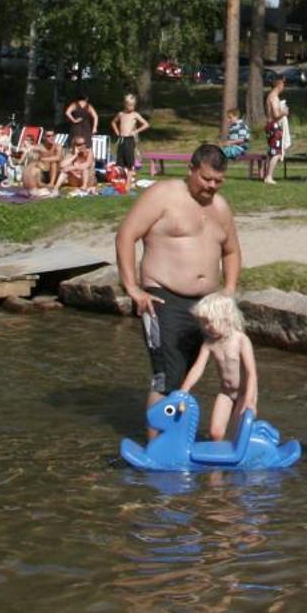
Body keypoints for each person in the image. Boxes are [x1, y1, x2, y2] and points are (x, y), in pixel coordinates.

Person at [113, 144, 242, 428]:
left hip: (205, 305)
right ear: (191, 169)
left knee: (186, 378)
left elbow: (231, 251)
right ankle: (156, 448)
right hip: (162, 298)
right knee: (166, 376)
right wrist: (132, 289)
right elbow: (125, 235)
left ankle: (176, 442)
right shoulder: (164, 195)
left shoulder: (220, 207)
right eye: (206, 179)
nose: (211, 186)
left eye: (218, 181)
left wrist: (229, 290)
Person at [176, 292, 260, 441]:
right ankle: (215, 458)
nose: (206, 327)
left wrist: (249, 400)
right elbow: (198, 368)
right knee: (215, 433)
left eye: (210, 322)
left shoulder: (241, 340)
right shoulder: (209, 344)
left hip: (244, 393)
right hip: (226, 393)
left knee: (237, 434)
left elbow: (251, 373)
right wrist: (184, 390)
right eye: (203, 322)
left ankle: (241, 451)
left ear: (227, 318)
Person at [112, 94, 149, 188]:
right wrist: (117, 132)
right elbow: (113, 122)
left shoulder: (135, 114)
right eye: (130, 105)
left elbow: (146, 124)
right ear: (125, 104)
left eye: (133, 105)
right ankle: (124, 181)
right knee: (120, 163)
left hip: (129, 139)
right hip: (121, 139)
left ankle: (127, 186)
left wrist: (136, 131)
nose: (132, 107)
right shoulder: (121, 114)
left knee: (130, 163)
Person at [262, 78, 289, 184]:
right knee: (277, 153)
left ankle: (266, 174)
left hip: (270, 125)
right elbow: (276, 114)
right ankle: (269, 176)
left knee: (270, 152)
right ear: (279, 84)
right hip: (274, 125)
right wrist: (284, 112)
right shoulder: (273, 97)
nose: (284, 87)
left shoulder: (270, 96)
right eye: (283, 84)